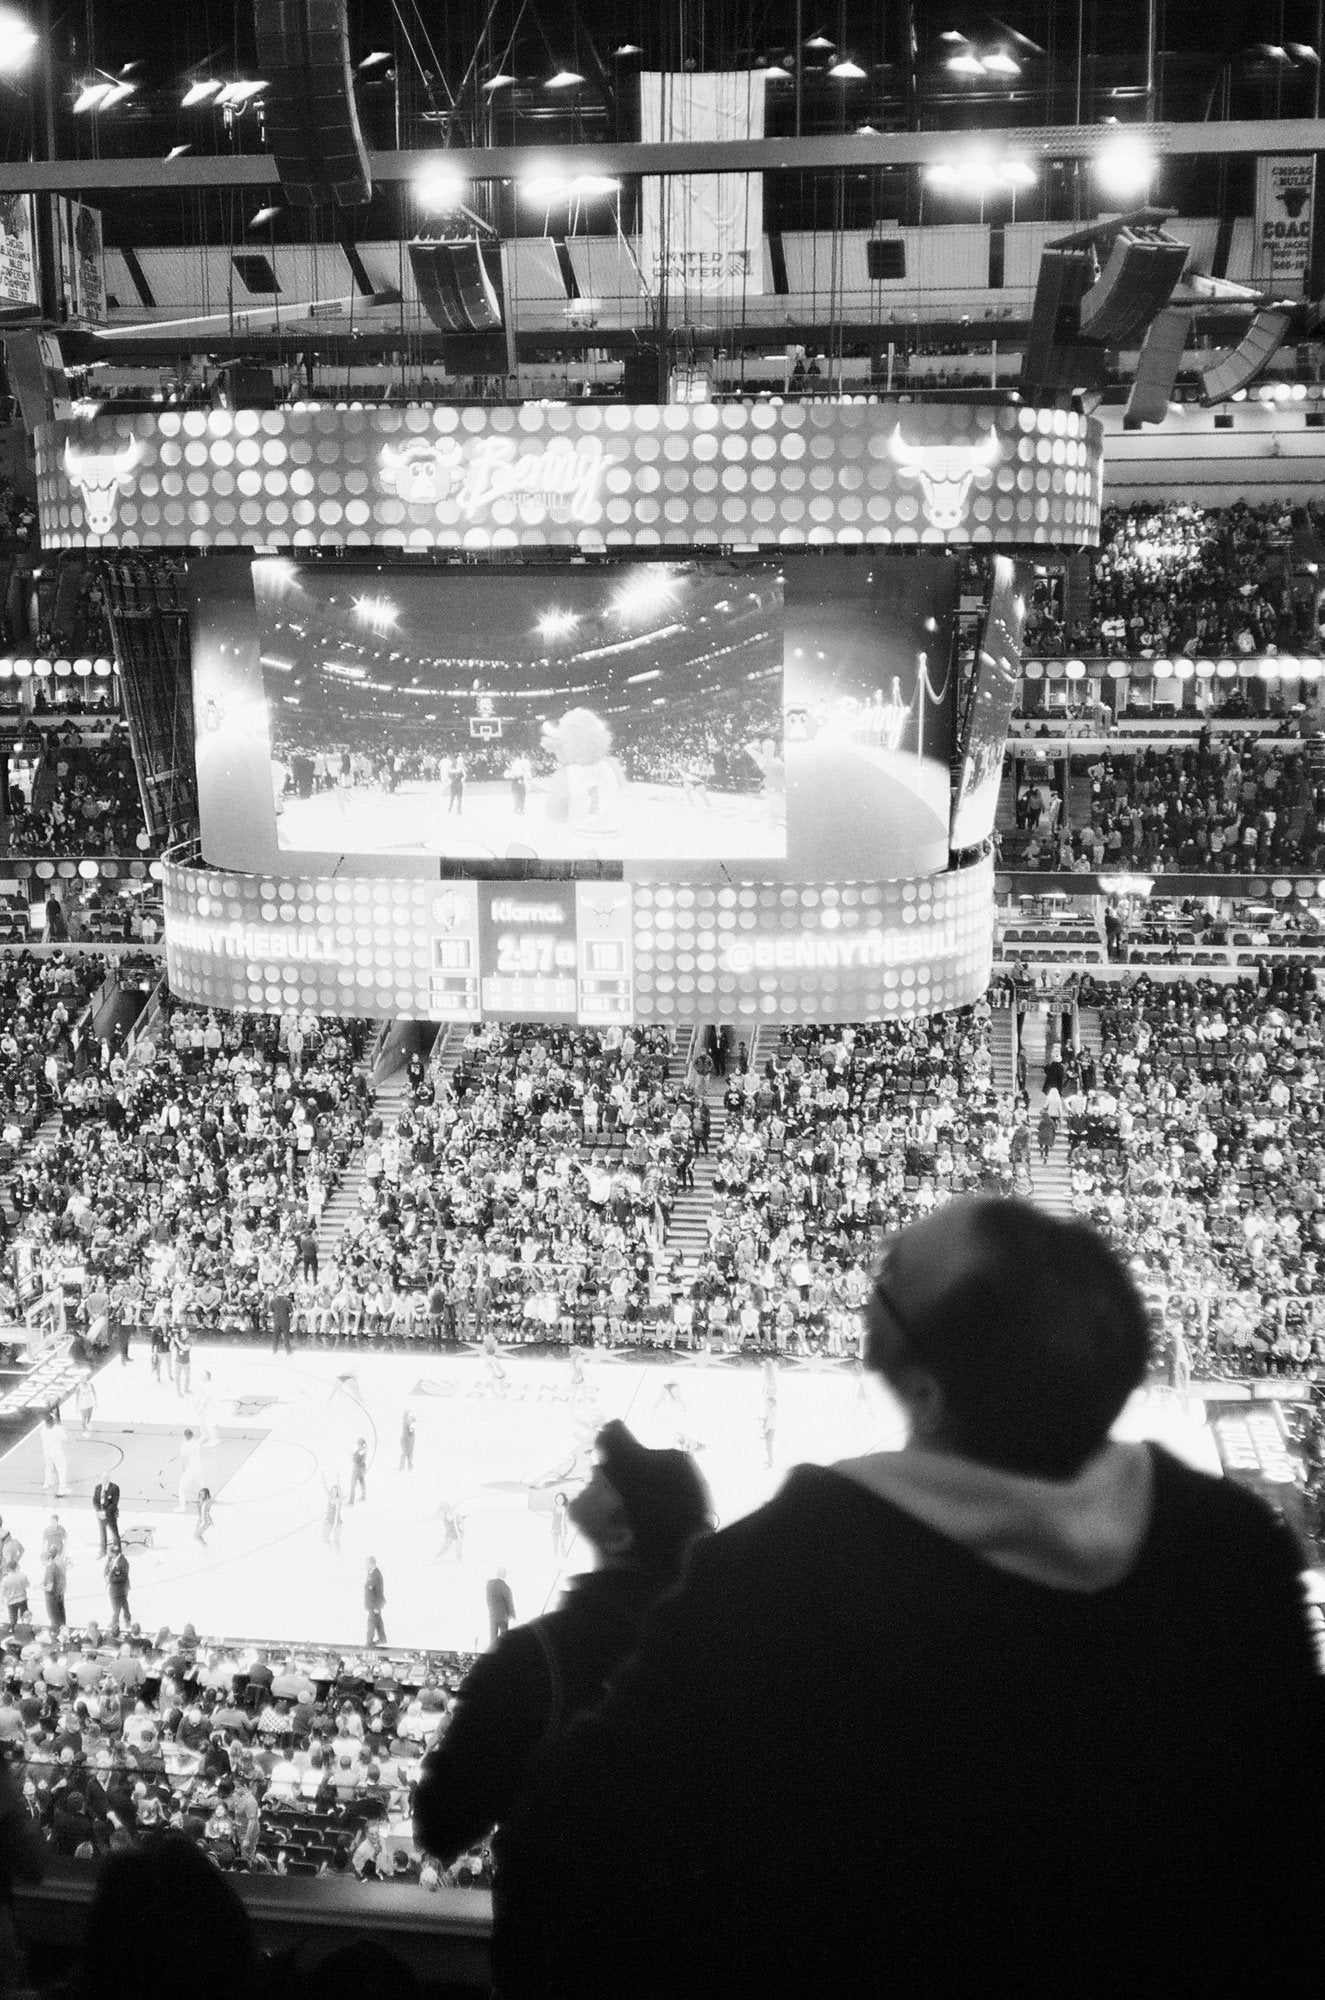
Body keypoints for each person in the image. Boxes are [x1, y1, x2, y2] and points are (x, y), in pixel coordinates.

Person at [494, 1199, 1321, 2000]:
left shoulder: (782, 1569)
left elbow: (569, 1839)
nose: (871, 1283)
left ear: (923, 1391)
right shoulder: (1233, 1546)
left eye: (887, 1279)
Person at [415, 1422, 711, 1869]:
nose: (597, 1472)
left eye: (607, 1482)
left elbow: (442, 1825)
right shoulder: (719, 1652)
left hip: (557, 1904)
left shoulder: (534, 1659)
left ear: (621, 1536)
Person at [39, 1407, 67, 1496]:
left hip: (47, 1451)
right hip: (57, 1452)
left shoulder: (42, 1429)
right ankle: (62, 1490)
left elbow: (42, 1439)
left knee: (48, 1467)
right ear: (52, 1421)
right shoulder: (58, 1429)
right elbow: (64, 1439)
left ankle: (47, 1483)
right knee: (61, 1470)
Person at [105, 1546, 131, 1637]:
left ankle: (127, 1620)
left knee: (123, 1605)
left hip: (121, 1588)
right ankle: (115, 1622)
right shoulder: (110, 1559)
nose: (108, 1554)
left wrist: (111, 1579)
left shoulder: (123, 1562)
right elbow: (107, 1569)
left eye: (109, 1552)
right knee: (114, 1605)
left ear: (114, 1553)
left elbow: (123, 1577)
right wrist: (106, 1576)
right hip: (113, 1587)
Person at [486, 1568, 515, 1647]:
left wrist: (491, 1609)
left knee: (493, 1638)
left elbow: (488, 1599)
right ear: (504, 1574)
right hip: (503, 1617)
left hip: (493, 1615)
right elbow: (509, 1602)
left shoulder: (490, 1585)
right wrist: (512, 1613)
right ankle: (503, 1652)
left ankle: (492, 1652)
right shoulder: (505, 1587)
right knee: (504, 1638)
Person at [92, 1478, 120, 1556]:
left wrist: (105, 1512)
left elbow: (114, 1503)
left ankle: (117, 1550)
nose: (103, 1480)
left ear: (108, 1479)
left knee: (114, 1533)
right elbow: (95, 1501)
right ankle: (103, 1550)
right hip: (100, 1514)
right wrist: (98, 1511)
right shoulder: (98, 1487)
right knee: (102, 1533)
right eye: (102, 1479)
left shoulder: (114, 1488)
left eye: (105, 1479)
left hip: (110, 1514)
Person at [43, 1546, 67, 1630]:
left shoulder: (49, 1569)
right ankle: (63, 1630)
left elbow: (49, 1587)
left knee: (54, 1617)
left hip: (52, 1595)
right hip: (59, 1592)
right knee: (61, 1615)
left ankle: (56, 1632)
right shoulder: (57, 1565)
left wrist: (41, 1587)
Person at [364, 1556, 386, 1647]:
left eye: (367, 1564)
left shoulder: (376, 1575)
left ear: (372, 1563)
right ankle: (382, 1638)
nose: (366, 1566)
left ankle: (369, 1642)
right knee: (377, 1621)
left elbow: (379, 1591)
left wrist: (377, 1606)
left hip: (374, 1604)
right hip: (372, 1604)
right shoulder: (371, 1574)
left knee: (371, 1622)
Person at [323, 1476, 343, 1551]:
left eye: (335, 1491)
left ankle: (337, 1553)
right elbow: (325, 1487)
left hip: (337, 1522)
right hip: (329, 1520)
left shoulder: (339, 1500)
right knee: (325, 1538)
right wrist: (323, 1475)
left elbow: (340, 1492)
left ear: (337, 1492)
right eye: (333, 1491)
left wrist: (338, 1480)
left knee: (336, 1540)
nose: (334, 1492)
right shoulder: (330, 1497)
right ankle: (331, 1550)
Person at [348, 1437, 368, 1505]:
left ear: (360, 1443)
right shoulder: (363, 1449)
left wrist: (352, 1456)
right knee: (361, 1482)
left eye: (358, 1443)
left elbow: (356, 1459)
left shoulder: (362, 1449)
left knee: (353, 1483)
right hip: (361, 1468)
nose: (357, 1444)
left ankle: (351, 1501)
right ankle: (363, 1496)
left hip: (357, 1469)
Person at [399, 1409, 416, 1474]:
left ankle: (406, 1467)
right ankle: (406, 1467)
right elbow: (411, 1431)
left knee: (407, 1454)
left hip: (407, 1439)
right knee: (406, 1453)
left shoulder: (407, 1422)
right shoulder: (406, 1423)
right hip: (407, 1439)